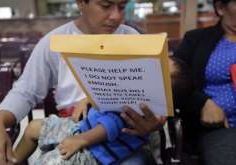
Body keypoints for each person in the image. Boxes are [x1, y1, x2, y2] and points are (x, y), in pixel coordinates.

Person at [0, 0, 166, 165]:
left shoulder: (132, 40)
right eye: (105, 6)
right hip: (71, 128)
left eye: (121, 7)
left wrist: (154, 121)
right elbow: (26, 91)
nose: (116, 16)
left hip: (119, 136)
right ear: (81, 2)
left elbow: (150, 97)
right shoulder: (55, 41)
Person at [10, 56, 193, 165]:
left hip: (93, 149)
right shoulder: (132, 87)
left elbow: (110, 125)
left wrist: (79, 140)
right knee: (33, 127)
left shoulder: (138, 108)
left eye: (157, 72)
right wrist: (89, 97)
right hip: (82, 127)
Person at [174, 0, 236, 164]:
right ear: (221, 8)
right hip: (223, 128)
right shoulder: (196, 40)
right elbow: (173, 81)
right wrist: (202, 103)